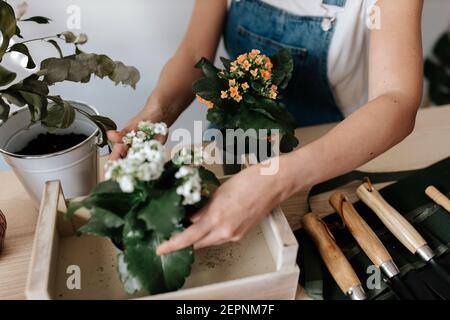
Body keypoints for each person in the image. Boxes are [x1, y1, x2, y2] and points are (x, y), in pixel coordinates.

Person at [107, 0, 424, 255]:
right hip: (233, 141)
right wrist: (157, 113)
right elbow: (193, 53)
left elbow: (396, 99)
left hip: (329, 155)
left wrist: (278, 179)